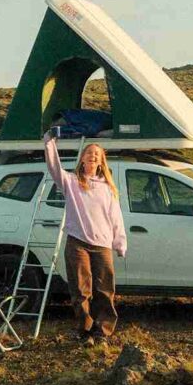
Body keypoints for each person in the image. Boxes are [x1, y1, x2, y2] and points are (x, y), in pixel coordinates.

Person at [42, 128, 127, 345]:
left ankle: (103, 331)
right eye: (89, 152)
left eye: (97, 154)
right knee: (80, 290)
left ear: (101, 162)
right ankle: (85, 330)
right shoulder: (70, 181)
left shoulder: (108, 187)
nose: (93, 155)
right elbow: (53, 168)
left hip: (102, 244)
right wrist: (50, 142)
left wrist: (120, 241)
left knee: (105, 289)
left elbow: (115, 216)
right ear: (82, 159)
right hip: (77, 242)